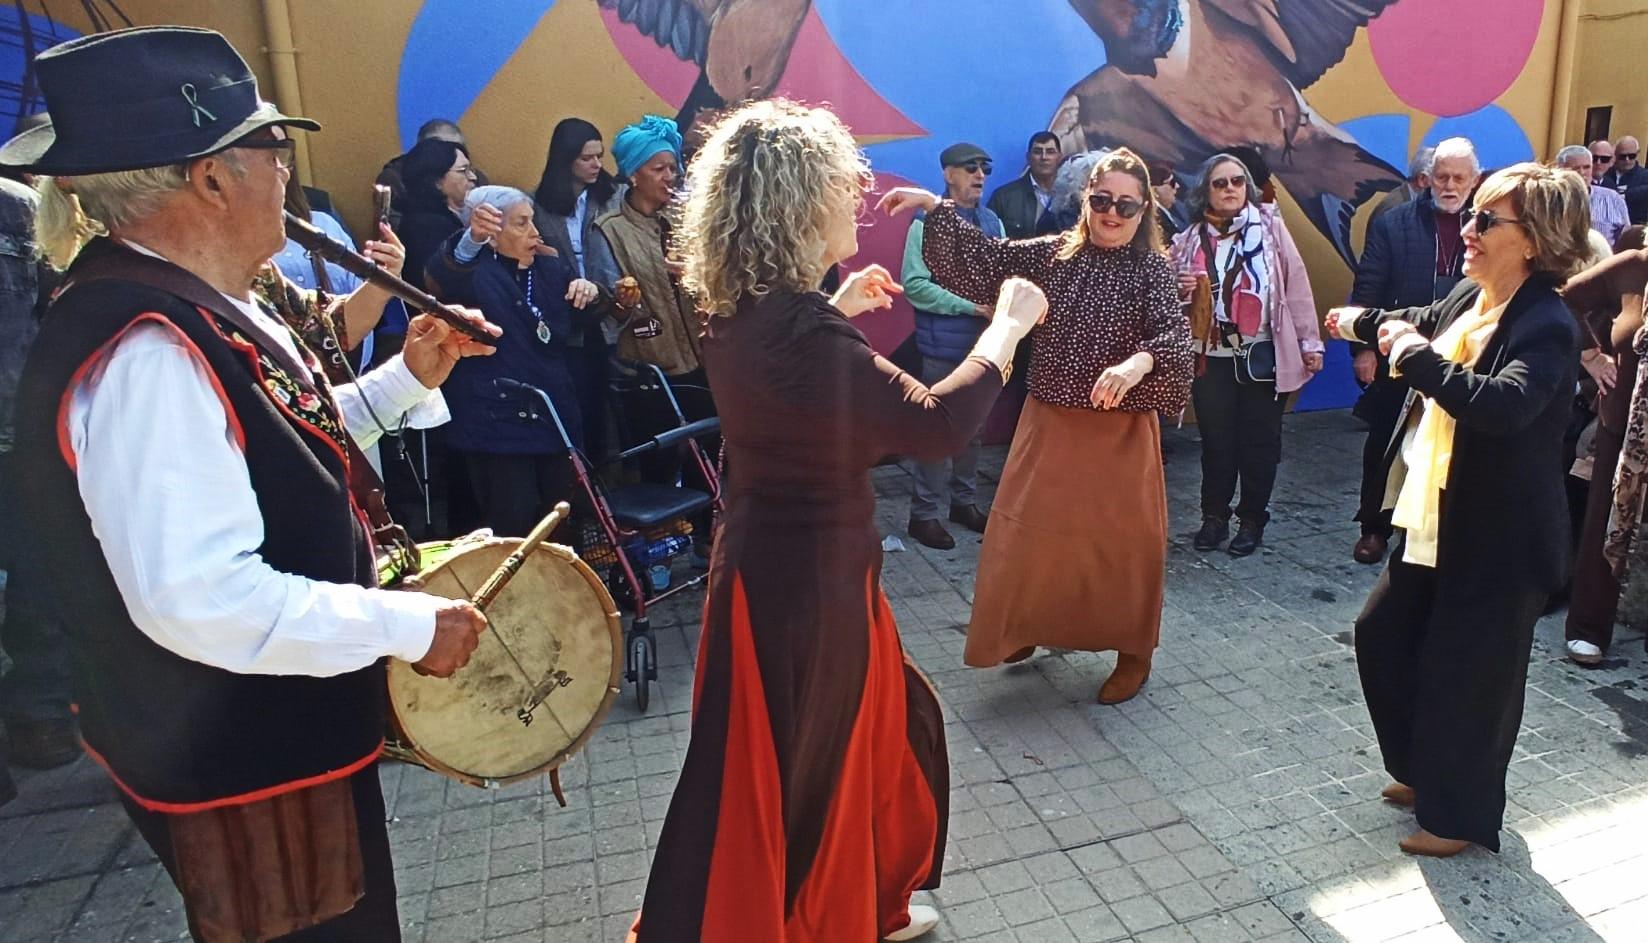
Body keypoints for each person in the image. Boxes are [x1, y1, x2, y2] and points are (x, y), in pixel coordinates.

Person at [0, 26, 496, 938]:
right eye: (273, 147)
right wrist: (410, 624)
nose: (287, 169)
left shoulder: (205, 306)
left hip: (277, 742)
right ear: (210, 178)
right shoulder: (148, 351)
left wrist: (405, 380)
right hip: (245, 768)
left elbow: (274, 448)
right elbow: (203, 596)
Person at [629, 99, 1046, 943]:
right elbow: (934, 423)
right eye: (837, 187)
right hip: (804, 592)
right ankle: (811, 919)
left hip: (780, 571)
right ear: (794, 206)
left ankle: (860, 900)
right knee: (809, 769)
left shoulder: (746, 306)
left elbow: (794, 383)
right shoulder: (801, 329)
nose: (853, 199)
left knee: (870, 737)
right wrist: (1006, 328)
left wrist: (836, 304)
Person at [1327, 162, 1590, 857]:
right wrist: (1364, 321)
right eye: (1470, 214)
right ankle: (1422, 770)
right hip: (1439, 518)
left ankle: (1457, 817)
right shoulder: (1472, 300)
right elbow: (1414, 322)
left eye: (1485, 220)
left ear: (1531, 239)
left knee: (1471, 680)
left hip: (1502, 538)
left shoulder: (1547, 323)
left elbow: (1500, 405)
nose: (1466, 229)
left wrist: (1412, 357)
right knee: (1383, 635)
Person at [894, 148, 1194, 704]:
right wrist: (935, 209)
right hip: (1050, 420)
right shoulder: (1053, 254)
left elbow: (1174, 335)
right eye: (1102, 200)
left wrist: (1138, 362)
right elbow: (982, 261)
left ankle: (1134, 651)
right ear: (1086, 200)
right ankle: (1027, 625)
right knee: (1030, 535)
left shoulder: (1151, 267)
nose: (1112, 213)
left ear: (1143, 210)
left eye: (1126, 206)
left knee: (1122, 548)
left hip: (1119, 432)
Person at [1170, 153, 1324, 557]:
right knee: (1217, 443)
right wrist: (1180, 287)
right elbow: (1169, 300)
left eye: (1237, 181)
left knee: (1260, 445)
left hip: (1261, 356)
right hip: (1211, 356)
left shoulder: (1271, 230)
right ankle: (1214, 517)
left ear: (1248, 187)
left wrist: (1310, 342)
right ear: (1206, 190)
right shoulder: (1187, 240)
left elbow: (1297, 286)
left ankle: (1252, 520)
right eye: (1220, 183)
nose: (1230, 189)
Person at [426, 186, 602, 537]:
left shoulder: (548, 264)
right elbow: (443, 275)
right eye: (522, 224)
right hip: (498, 421)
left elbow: (577, 317)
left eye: (532, 221)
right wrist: (471, 239)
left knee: (562, 521)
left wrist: (591, 291)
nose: (535, 233)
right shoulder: (470, 272)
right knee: (513, 527)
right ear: (492, 234)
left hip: (553, 414)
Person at [1348, 137, 1478, 564]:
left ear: (1474, 180)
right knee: (1384, 442)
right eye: (1442, 176)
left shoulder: (1487, 225)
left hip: (1461, 356)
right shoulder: (1395, 222)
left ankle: (1428, 534)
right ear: (1427, 179)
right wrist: (1364, 350)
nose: (1450, 185)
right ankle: (1374, 527)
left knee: (1446, 450)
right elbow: (1369, 285)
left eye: (1460, 177)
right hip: (1396, 351)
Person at [0, 170, 72, 796]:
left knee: (37, 579)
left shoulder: (15, 208)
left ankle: (40, 713)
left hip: (18, 429)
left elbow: (57, 306)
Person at [900, 142, 1004, 551]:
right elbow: (915, 285)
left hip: (984, 347)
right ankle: (923, 516)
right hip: (943, 349)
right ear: (948, 175)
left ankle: (963, 504)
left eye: (985, 167)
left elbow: (1004, 272)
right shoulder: (923, 224)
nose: (980, 174)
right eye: (970, 167)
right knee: (936, 432)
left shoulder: (992, 221)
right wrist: (971, 306)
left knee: (974, 431)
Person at [1561, 245, 1648, 664]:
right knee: (1604, 523)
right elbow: (1564, 298)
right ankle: (1587, 628)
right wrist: (1591, 357)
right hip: (1626, 429)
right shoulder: (1634, 265)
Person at [533, 118, 626, 462]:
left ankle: (613, 475)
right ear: (566, 158)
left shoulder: (612, 197)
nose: (596, 165)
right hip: (567, 315)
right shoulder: (539, 205)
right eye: (587, 158)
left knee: (611, 403)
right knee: (580, 401)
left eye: (599, 156)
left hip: (609, 308)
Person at [375, 118, 487, 229]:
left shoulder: (476, 177)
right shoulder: (394, 177)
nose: (456, 152)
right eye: (445, 149)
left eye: (459, 147)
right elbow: (392, 227)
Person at [397, 137, 476, 287]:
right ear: (437, 182)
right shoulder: (426, 227)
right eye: (463, 171)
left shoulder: (444, 218)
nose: (473, 177)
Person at [987, 131, 1063, 238]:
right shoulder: (1003, 198)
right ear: (1028, 157)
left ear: (1059, 157)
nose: (1044, 157)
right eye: (1037, 152)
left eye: (1050, 152)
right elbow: (989, 243)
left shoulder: (1074, 197)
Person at [1556, 144, 1629, 246]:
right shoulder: (1551, 201)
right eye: (1575, 168)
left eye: (1586, 167)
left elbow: (1626, 237)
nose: (1582, 172)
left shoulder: (1613, 198)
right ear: (1560, 170)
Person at [1368, 147, 1435, 227]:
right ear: (1422, 179)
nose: (1449, 185)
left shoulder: (1422, 203)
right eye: (1442, 178)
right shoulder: (1393, 209)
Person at [1599, 135, 1648, 224]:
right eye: (1622, 156)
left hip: (1633, 228)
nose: (1627, 160)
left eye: (1632, 156)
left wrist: (1625, 195)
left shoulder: (1644, 176)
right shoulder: (1605, 173)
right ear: (1615, 155)